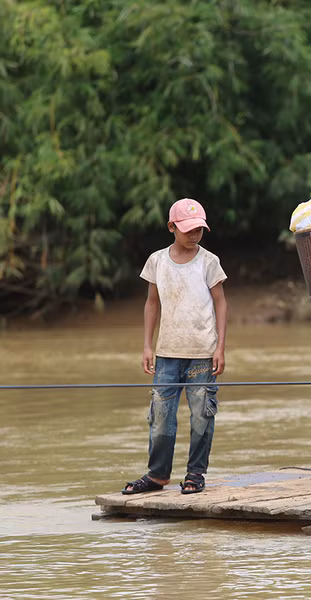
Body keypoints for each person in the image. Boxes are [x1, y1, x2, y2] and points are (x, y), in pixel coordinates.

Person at [123, 198, 227, 495]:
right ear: (172, 227)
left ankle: (195, 474)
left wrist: (220, 347)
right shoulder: (157, 261)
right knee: (160, 416)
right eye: (188, 229)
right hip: (167, 353)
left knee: (202, 416)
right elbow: (151, 303)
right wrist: (147, 346)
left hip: (202, 353)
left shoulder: (209, 261)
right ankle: (157, 475)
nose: (194, 235)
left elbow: (220, 303)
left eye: (199, 230)